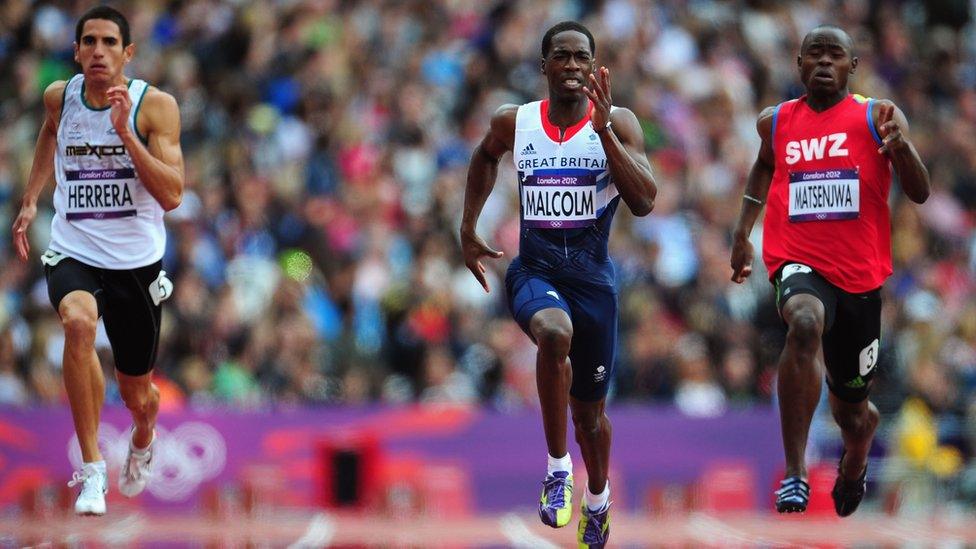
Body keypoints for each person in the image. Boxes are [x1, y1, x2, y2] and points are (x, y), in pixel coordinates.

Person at [461, 21, 656, 547]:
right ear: (544, 65)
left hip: (594, 287)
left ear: (594, 68)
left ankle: (598, 499)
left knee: (591, 418)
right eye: (562, 57)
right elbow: (484, 156)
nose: (572, 66)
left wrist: (605, 133)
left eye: (582, 58)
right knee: (552, 333)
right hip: (536, 272)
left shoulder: (619, 121)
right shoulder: (515, 122)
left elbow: (644, 200)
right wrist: (468, 227)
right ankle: (555, 468)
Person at [730, 25, 929, 516]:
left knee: (854, 415)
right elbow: (763, 165)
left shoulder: (876, 116)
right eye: (813, 54)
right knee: (803, 322)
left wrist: (901, 147)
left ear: (852, 66)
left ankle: (855, 458)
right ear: (798, 65)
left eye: (834, 54)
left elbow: (920, 192)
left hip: (860, 279)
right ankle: (796, 470)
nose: (823, 62)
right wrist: (742, 231)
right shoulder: (775, 121)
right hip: (798, 261)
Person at [11, 5, 184, 516]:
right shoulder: (59, 96)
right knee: (77, 321)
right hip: (75, 247)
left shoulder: (155, 107)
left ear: (127, 53)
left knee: (138, 395)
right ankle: (92, 470)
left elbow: (173, 194)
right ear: (76, 51)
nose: (98, 51)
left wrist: (126, 135)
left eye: (110, 42)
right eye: (89, 42)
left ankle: (143, 436)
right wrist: (30, 198)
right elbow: (49, 131)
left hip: (136, 263)